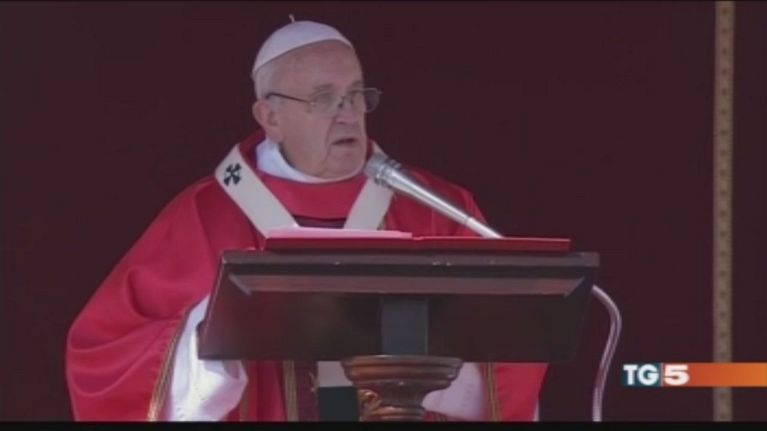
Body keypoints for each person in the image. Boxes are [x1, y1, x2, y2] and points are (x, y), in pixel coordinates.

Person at [65, 19, 547, 421]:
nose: (347, 114)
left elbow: (512, 339)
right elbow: (104, 356)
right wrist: (212, 335)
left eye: (356, 95)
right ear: (270, 118)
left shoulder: (435, 206)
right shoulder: (204, 216)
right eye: (323, 98)